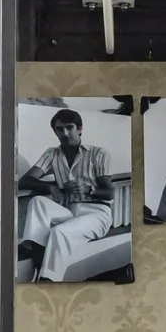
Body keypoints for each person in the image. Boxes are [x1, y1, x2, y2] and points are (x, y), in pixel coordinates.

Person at [15, 106, 118, 281]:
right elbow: (25, 181)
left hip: (97, 214)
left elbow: (110, 193)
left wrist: (89, 190)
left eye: (69, 127)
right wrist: (51, 188)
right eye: (59, 129)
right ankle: (31, 245)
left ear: (79, 129)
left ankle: (49, 279)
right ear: (55, 132)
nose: (65, 133)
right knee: (38, 201)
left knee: (59, 232)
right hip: (69, 211)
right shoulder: (52, 154)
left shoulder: (97, 153)